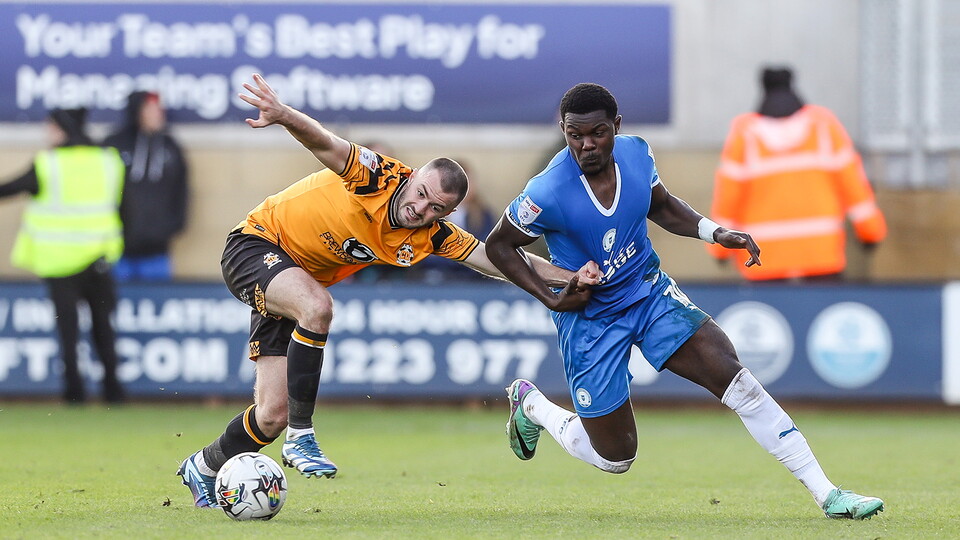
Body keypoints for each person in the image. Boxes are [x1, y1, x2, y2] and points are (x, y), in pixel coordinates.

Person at [176, 74, 591, 508]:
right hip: (256, 244)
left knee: (270, 414)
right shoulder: (377, 176)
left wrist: (569, 275)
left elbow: (500, 260)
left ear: (449, 212)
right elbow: (326, 143)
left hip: (291, 278)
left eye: (437, 208)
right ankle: (302, 436)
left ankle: (204, 466)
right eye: (422, 194)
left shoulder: (431, 234)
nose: (421, 208)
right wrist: (283, 115)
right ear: (413, 178)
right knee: (318, 307)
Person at [484, 83, 884, 520]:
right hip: (590, 316)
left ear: (616, 126)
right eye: (574, 134)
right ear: (563, 130)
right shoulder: (547, 191)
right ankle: (533, 405)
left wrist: (717, 232)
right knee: (616, 457)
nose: (586, 145)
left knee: (739, 383)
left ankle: (828, 495)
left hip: (647, 292)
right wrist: (554, 299)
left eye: (597, 133)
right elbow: (501, 246)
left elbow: (663, 207)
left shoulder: (637, 155)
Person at [707, 67, 887, 282]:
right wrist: (870, 233)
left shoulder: (744, 135)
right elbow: (853, 185)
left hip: (763, 261)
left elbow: (728, 197)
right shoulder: (824, 127)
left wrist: (720, 248)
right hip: (820, 257)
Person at [0, 108, 126, 404]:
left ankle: (75, 393)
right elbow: (126, 208)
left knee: (69, 332)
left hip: (59, 262)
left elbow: (10, 188)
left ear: (60, 129)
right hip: (99, 258)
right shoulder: (108, 161)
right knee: (103, 327)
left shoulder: (49, 163)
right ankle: (114, 391)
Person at [103, 91, 189, 282]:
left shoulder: (170, 147)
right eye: (150, 109)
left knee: (156, 305)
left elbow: (181, 191)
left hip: (157, 249)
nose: (157, 114)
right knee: (116, 304)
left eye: (158, 109)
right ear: (136, 111)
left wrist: (174, 225)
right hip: (118, 249)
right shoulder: (114, 145)